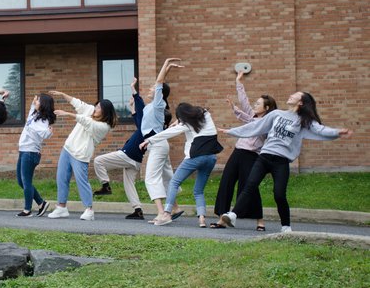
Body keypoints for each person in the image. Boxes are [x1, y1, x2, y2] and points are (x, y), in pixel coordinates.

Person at [219, 91, 353, 232]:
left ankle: (286, 227)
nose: (291, 95)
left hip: (281, 162)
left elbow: (321, 130)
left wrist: (337, 132)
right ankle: (233, 215)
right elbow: (255, 126)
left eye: (295, 95)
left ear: (300, 102)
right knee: (250, 186)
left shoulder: (304, 120)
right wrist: (232, 131)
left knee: (279, 194)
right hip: (264, 157)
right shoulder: (277, 114)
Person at [210, 71, 277, 230]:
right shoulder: (252, 117)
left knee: (249, 187)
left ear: (266, 108)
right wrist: (238, 82)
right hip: (238, 153)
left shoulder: (269, 124)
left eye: (258, 104)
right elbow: (244, 101)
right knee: (226, 183)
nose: (255, 105)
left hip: (252, 156)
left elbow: (260, 130)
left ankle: (260, 221)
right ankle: (222, 219)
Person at [140, 103, 224, 227]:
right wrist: (179, 122)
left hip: (195, 157)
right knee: (198, 190)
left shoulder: (186, 124)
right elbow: (184, 124)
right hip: (211, 158)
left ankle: (167, 214)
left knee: (174, 182)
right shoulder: (206, 115)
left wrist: (149, 140)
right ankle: (201, 219)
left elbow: (169, 133)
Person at [47, 91, 117, 221]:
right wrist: (63, 94)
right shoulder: (90, 110)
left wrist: (67, 114)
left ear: (105, 112)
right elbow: (77, 102)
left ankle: (89, 210)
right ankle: (61, 207)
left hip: (80, 155)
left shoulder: (103, 127)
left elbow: (86, 122)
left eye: (99, 108)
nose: (95, 108)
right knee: (61, 178)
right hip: (67, 149)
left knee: (82, 181)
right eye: (96, 106)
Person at [92, 78, 148, 220]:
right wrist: (131, 108)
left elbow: (141, 108)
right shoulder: (145, 127)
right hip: (136, 160)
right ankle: (138, 210)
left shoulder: (147, 124)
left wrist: (134, 91)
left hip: (128, 155)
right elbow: (137, 118)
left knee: (98, 161)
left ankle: (106, 185)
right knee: (129, 184)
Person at [139, 58, 184, 224]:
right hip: (158, 144)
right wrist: (168, 69)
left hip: (157, 145)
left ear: (160, 93)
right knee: (166, 177)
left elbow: (159, 82)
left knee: (151, 178)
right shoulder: (151, 105)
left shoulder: (159, 103)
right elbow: (160, 83)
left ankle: (162, 214)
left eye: (154, 88)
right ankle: (175, 208)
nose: (151, 89)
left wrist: (166, 64)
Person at [16, 93, 56, 217]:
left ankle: (27, 210)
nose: (35, 102)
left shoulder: (43, 120)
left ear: (43, 103)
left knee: (26, 182)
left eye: (38, 100)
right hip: (24, 150)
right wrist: (34, 101)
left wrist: (48, 133)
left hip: (31, 152)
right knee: (21, 182)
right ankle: (41, 203)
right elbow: (33, 107)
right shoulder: (34, 114)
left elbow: (45, 133)